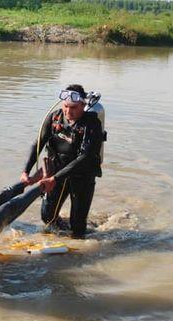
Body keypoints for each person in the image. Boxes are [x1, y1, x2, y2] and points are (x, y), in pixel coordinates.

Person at [21, 84, 105, 239]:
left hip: (82, 176)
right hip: (58, 171)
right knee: (47, 217)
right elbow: (38, 144)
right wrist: (26, 171)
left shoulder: (91, 124)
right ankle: (60, 238)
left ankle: (77, 242)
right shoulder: (55, 118)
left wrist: (54, 179)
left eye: (73, 107)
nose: (68, 111)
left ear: (83, 105)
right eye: (65, 106)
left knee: (78, 227)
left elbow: (85, 157)